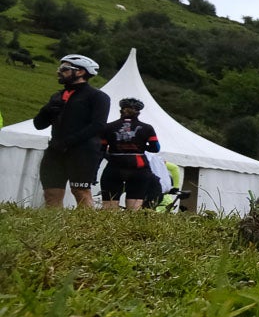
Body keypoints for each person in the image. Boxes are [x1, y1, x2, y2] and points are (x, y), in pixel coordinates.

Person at [33, 54, 110, 209]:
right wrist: (46, 111)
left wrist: (68, 141)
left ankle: (86, 231)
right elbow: (39, 125)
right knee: (51, 194)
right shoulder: (57, 96)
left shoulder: (97, 96)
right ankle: (54, 230)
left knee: (80, 192)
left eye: (64, 69)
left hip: (83, 152)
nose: (59, 71)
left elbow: (98, 125)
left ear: (80, 72)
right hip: (55, 151)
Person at [99, 97, 162, 210]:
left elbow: (101, 149)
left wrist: (112, 154)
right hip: (139, 167)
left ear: (121, 110)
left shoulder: (108, 127)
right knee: (134, 208)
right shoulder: (147, 128)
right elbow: (156, 148)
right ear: (138, 112)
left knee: (109, 207)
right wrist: (141, 147)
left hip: (114, 166)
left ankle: (108, 227)